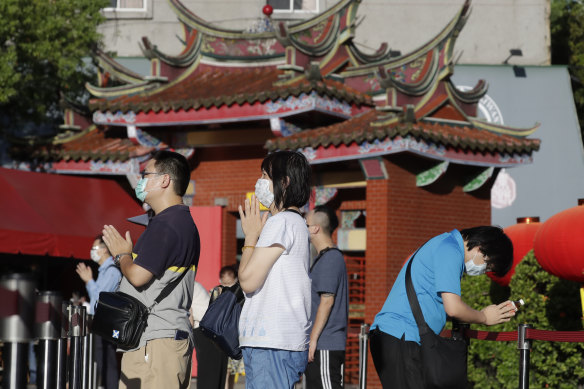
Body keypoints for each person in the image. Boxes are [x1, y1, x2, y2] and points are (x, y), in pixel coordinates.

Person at [369, 226, 517, 388]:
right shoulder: (450, 250)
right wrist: (485, 317)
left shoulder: (445, 244)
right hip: (402, 336)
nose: (483, 271)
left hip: (398, 336)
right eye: (488, 266)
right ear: (481, 248)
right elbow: (453, 307)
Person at [102, 150, 200, 389]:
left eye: (146, 174)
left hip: (156, 342)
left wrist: (122, 254)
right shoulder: (177, 221)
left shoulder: (167, 224)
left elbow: (137, 276)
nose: (141, 180)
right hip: (158, 340)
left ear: (165, 180)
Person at [237, 150, 312, 389]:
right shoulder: (294, 222)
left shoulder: (280, 222)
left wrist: (250, 236)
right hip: (276, 341)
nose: (259, 183)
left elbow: (248, 280)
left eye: (264, 176)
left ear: (284, 182)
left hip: (272, 341)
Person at [304, 205, 348, 389]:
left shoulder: (331, 258)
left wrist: (313, 340)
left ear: (315, 228)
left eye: (305, 224)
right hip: (320, 346)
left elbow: (327, 301)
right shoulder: (323, 257)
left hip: (324, 345)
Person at [76, 237, 122, 389]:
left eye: (94, 248)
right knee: (102, 360)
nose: (92, 252)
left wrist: (89, 281)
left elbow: (99, 301)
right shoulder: (104, 271)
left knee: (107, 361)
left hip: (107, 324)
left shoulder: (112, 271)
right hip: (102, 323)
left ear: (104, 250)